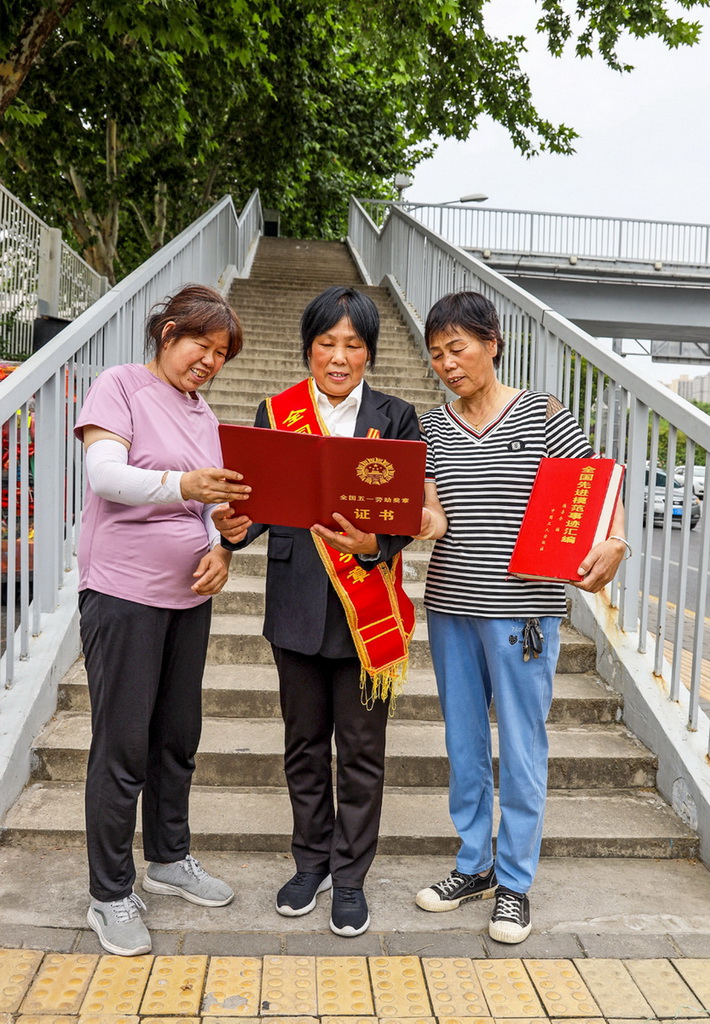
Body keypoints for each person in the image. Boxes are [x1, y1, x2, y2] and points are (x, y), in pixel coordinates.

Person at [414, 290, 628, 944]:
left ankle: (515, 882)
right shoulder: (427, 427)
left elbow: (595, 490)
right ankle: (473, 864)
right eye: (436, 355)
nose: (448, 364)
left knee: (524, 747)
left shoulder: (541, 414)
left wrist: (615, 541)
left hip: (524, 612)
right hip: (450, 607)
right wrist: (412, 523)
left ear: (492, 342)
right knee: (465, 744)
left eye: (458, 348)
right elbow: (429, 507)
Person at [213, 285, 422, 937]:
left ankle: (350, 875)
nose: (339, 356)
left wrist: (374, 546)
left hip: (366, 611)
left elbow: (407, 517)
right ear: (308, 348)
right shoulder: (276, 412)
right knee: (304, 746)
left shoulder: (398, 416)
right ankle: (310, 862)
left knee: (361, 751)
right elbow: (260, 509)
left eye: (353, 345)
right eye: (327, 343)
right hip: (296, 607)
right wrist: (230, 527)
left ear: (370, 354)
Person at [75, 284, 251, 956]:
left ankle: (170, 858)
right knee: (122, 747)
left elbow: (210, 507)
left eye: (220, 355)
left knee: (176, 737)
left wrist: (221, 543)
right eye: (201, 346)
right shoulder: (120, 385)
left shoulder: (203, 414)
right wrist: (186, 487)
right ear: (169, 331)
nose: (208, 362)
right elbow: (107, 476)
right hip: (123, 593)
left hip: (187, 596)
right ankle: (110, 894)